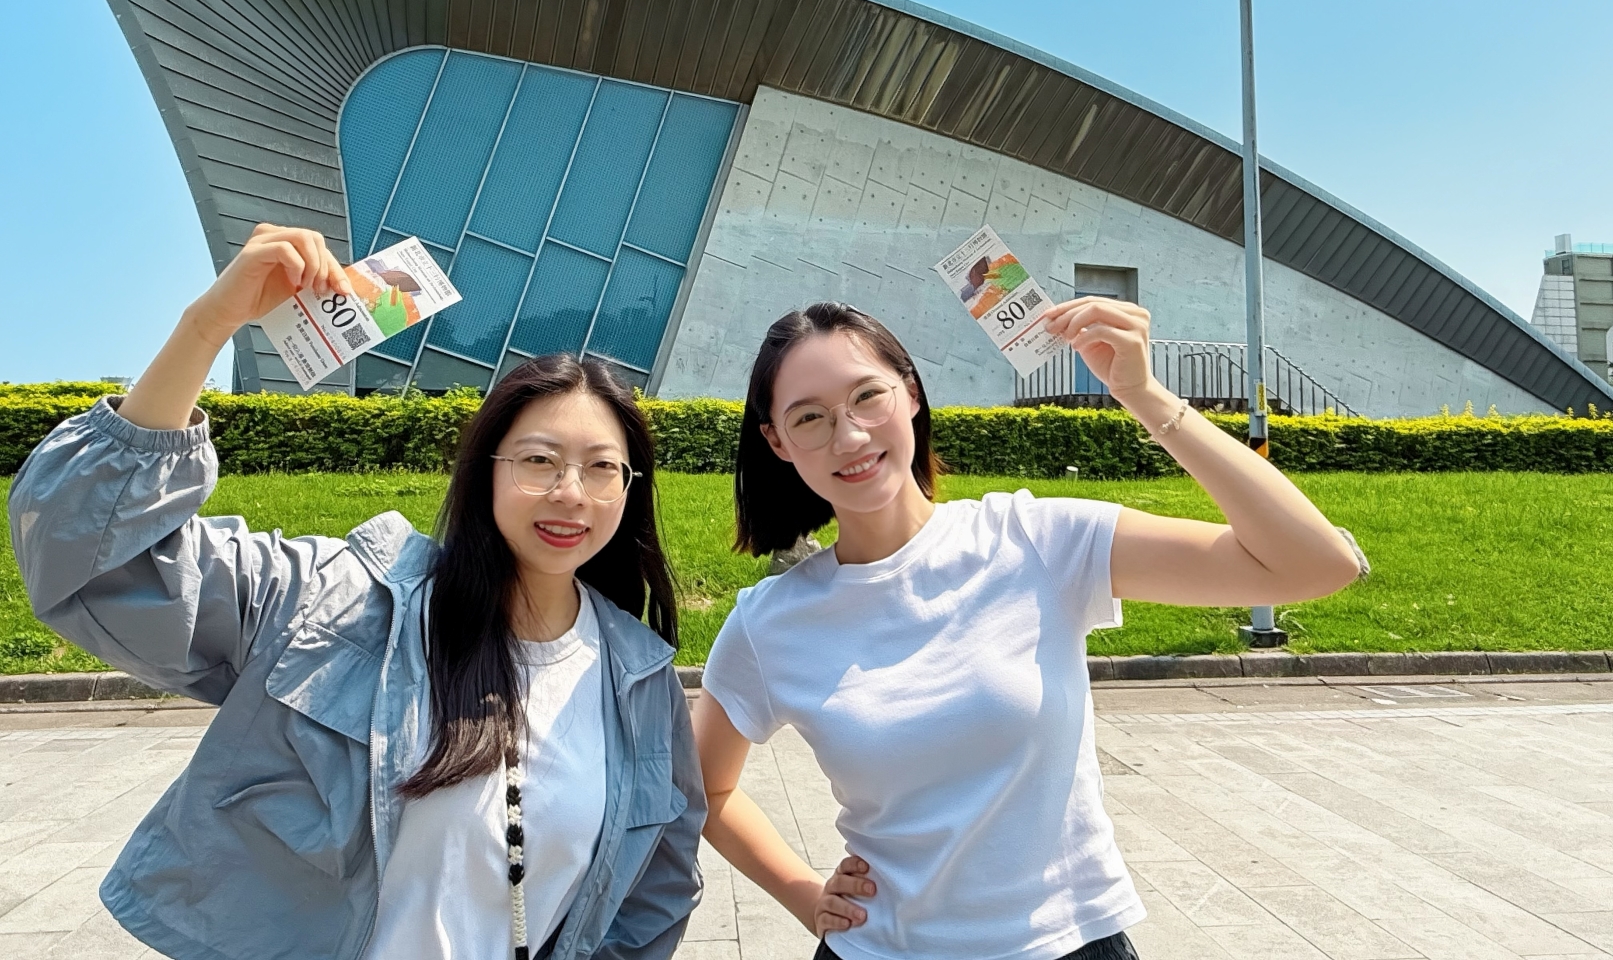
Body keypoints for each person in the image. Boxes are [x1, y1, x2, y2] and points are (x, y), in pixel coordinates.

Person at [9, 224, 704, 960]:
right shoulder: (334, 603)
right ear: (486, 472)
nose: (570, 493)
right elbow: (85, 553)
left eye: (602, 469)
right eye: (538, 460)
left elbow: (654, 890)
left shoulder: (638, 677)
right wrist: (208, 325)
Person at [693, 300, 1366, 960]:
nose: (850, 436)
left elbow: (1312, 565)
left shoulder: (1035, 540)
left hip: (1067, 942)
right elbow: (706, 790)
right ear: (776, 441)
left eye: (868, 396)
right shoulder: (770, 620)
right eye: (809, 418)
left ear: (911, 394)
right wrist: (803, 895)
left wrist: (1146, 395)